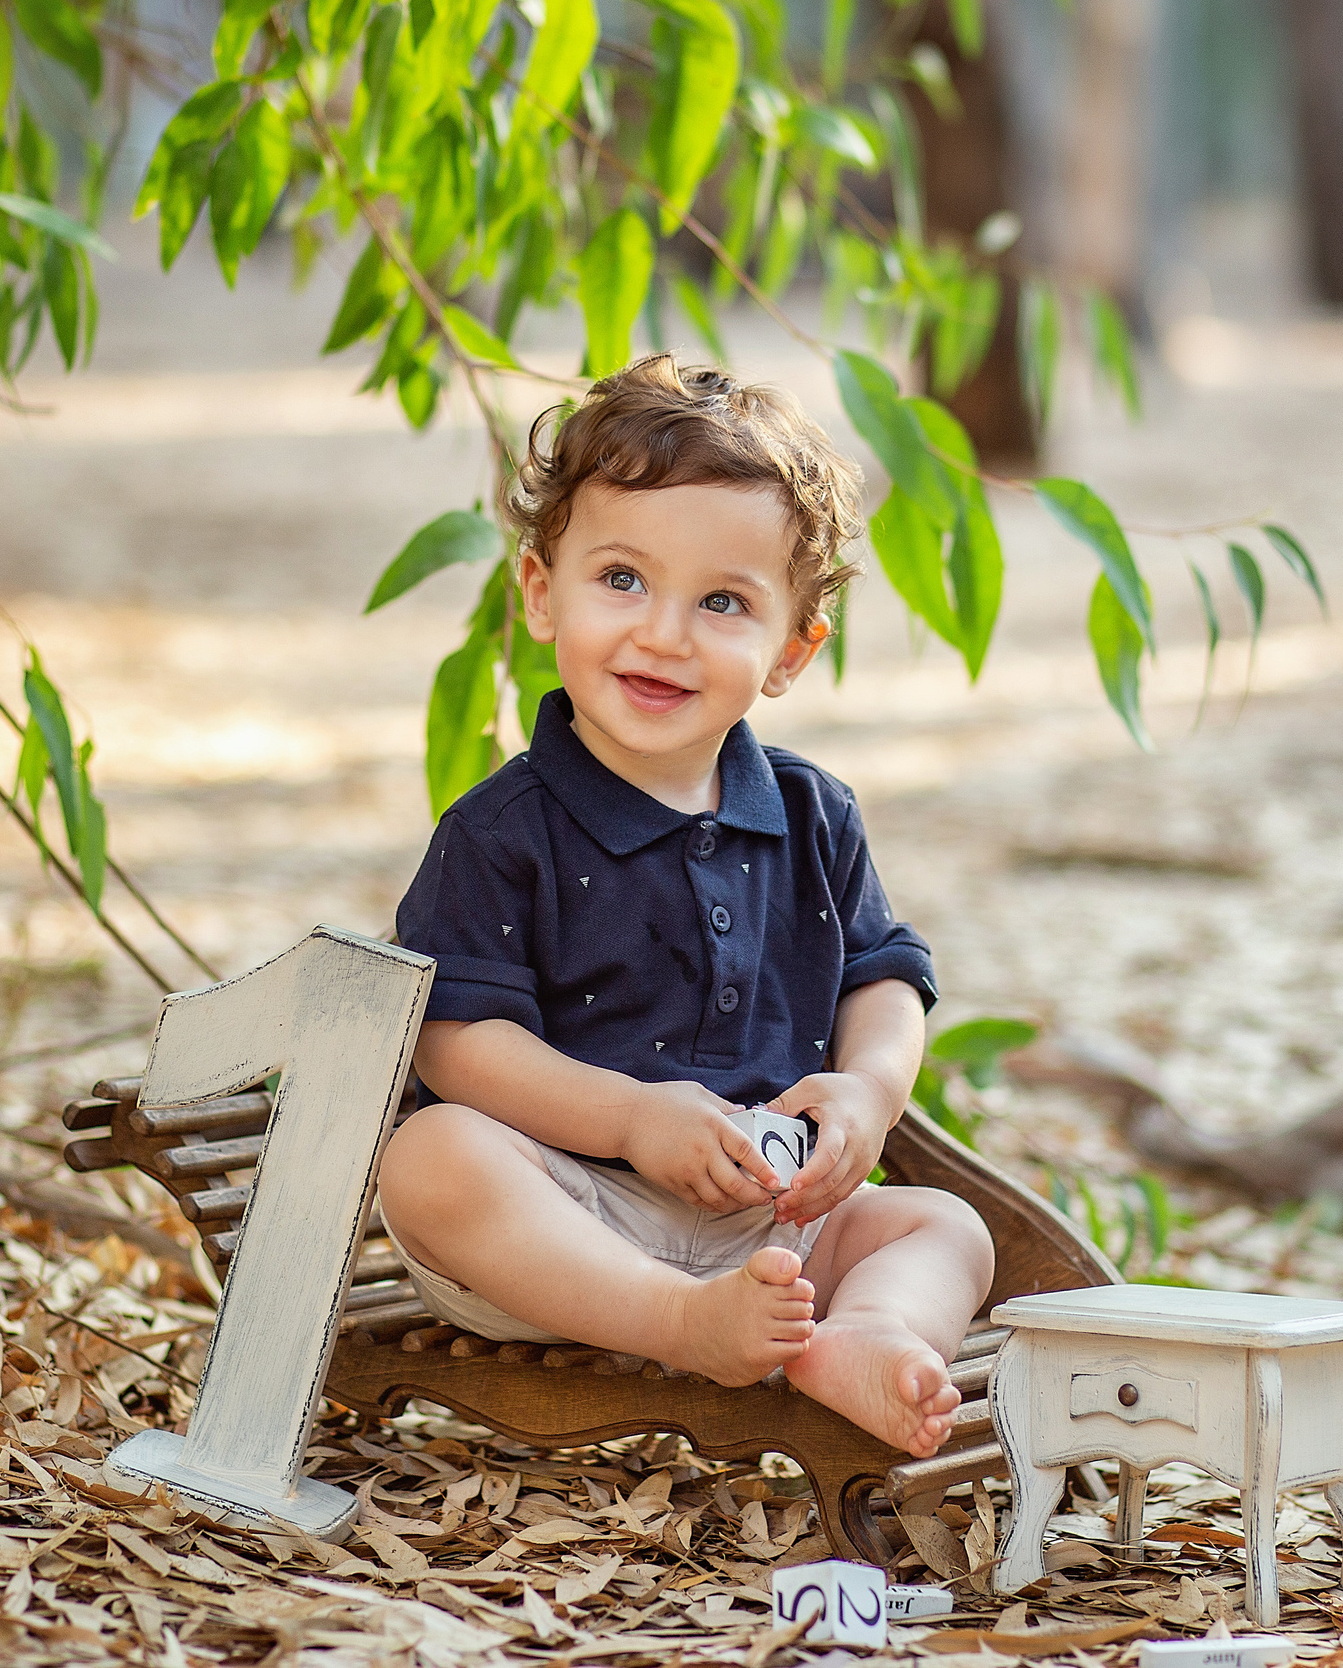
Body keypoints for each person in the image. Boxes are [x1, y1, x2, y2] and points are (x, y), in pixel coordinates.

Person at [381, 356, 995, 1459]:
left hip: (772, 1218)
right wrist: (629, 1119)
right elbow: (455, 1039)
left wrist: (866, 1091)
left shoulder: (812, 814)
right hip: (568, 1214)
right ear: (538, 591)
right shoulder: (502, 831)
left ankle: (857, 1336)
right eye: (621, 579)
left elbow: (885, 978)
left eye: (722, 602)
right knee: (433, 1161)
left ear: (791, 652)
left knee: (943, 1227)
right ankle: (676, 1323)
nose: (663, 633)